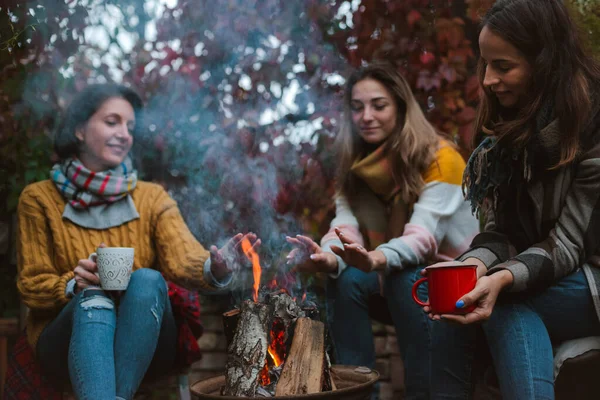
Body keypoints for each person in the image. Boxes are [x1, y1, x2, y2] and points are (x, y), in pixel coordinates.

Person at [16, 83, 258, 400]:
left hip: (146, 339)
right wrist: (73, 284)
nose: (125, 134)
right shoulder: (38, 199)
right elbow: (31, 284)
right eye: (112, 121)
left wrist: (215, 265)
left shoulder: (151, 197)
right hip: (65, 341)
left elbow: (183, 257)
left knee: (146, 279)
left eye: (130, 126)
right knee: (94, 297)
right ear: (78, 129)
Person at [424, 0, 600, 398]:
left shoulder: (593, 123)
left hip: (591, 276)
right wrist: (470, 267)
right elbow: (502, 232)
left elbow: (570, 242)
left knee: (503, 301)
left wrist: (502, 277)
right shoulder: (509, 132)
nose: (487, 80)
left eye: (503, 66)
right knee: (457, 303)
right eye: (485, 65)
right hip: (549, 271)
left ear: (546, 64)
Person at [286, 62, 479, 399]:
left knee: (404, 275)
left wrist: (373, 259)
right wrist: (327, 257)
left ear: (401, 108)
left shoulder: (442, 160)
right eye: (357, 107)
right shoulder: (355, 171)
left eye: (379, 105)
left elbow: (421, 241)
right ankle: (354, 392)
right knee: (345, 279)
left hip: (459, 284)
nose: (366, 116)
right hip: (398, 281)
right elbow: (343, 228)